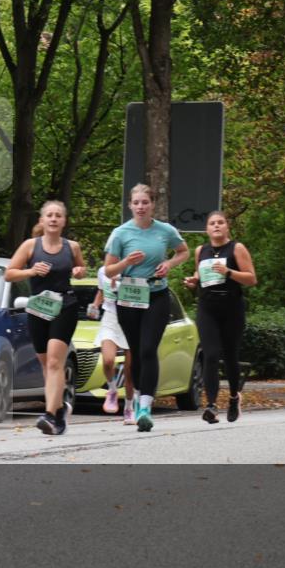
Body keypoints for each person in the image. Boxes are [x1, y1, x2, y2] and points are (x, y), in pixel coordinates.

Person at [104, 184, 190, 433]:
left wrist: (169, 264)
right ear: (130, 205)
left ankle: (145, 408)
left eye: (145, 202)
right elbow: (108, 270)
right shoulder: (120, 234)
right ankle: (140, 393)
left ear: (153, 205)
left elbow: (183, 252)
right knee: (138, 351)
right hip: (129, 297)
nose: (141, 207)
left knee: (150, 348)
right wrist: (126, 262)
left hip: (156, 295)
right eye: (136, 203)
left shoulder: (165, 230)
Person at [5, 201, 86, 435]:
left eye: (58, 215)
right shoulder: (30, 246)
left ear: (64, 221)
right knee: (45, 363)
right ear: (41, 221)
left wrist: (80, 272)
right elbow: (9, 274)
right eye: (49, 215)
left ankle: (50, 415)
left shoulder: (72, 247)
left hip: (65, 306)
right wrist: (30, 271)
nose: (53, 219)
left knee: (54, 362)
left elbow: (80, 270)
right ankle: (59, 410)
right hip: (38, 308)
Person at [183, 211, 257, 424]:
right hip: (207, 307)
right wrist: (193, 281)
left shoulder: (237, 248)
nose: (216, 226)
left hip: (231, 307)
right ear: (207, 229)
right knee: (210, 354)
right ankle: (211, 405)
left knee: (231, 357)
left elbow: (251, 278)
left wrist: (228, 272)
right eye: (212, 223)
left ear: (227, 227)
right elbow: (201, 275)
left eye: (220, 222)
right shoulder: (201, 250)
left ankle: (234, 397)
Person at [88, 266, 136, 424]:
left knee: (130, 370)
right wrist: (95, 305)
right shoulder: (102, 270)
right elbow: (101, 291)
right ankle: (113, 390)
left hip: (131, 319)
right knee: (108, 360)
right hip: (110, 318)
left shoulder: (133, 269)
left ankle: (129, 407)